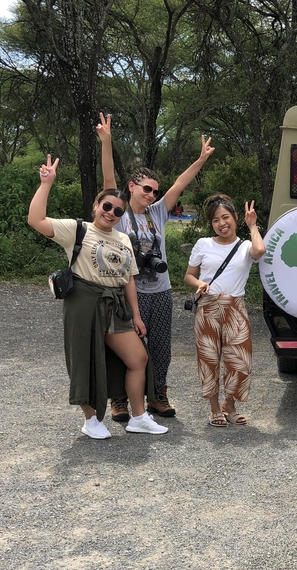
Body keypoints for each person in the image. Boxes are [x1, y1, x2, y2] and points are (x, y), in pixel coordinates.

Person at [27, 155, 168, 439]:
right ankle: (90, 420)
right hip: (84, 302)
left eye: (118, 211)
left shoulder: (123, 239)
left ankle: (138, 417)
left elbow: (129, 279)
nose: (111, 213)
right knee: (85, 360)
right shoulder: (77, 229)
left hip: (115, 304)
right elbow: (35, 220)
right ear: (96, 205)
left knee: (138, 358)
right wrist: (46, 183)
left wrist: (136, 316)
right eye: (107, 206)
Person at [97, 113, 215, 421]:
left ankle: (158, 395)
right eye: (146, 189)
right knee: (125, 348)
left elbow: (180, 184)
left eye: (154, 191)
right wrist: (106, 142)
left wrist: (201, 159)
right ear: (131, 186)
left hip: (160, 290)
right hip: (127, 290)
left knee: (161, 347)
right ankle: (119, 399)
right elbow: (108, 181)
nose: (151, 194)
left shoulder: (158, 212)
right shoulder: (119, 213)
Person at [184, 195, 266, 427]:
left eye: (225, 217)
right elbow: (188, 275)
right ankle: (214, 409)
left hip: (235, 307)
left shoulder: (246, 246)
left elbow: (260, 250)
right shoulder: (203, 244)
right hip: (207, 307)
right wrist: (198, 283)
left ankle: (229, 405)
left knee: (240, 360)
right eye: (215, 220)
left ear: (235, 217)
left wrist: (252, 225)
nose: (221, 223)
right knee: (208, 359)